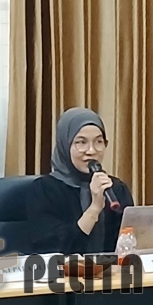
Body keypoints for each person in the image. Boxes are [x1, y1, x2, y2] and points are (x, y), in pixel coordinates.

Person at [27, 107, 135, 255]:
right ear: (65, 145)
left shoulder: (115, 189)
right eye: (81, 142)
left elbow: (129, 240)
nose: (91, 151)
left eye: (98, 142)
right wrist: (94, 208)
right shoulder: (44, 190)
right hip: (63, 269)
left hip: (111, 268)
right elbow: (51, 248)